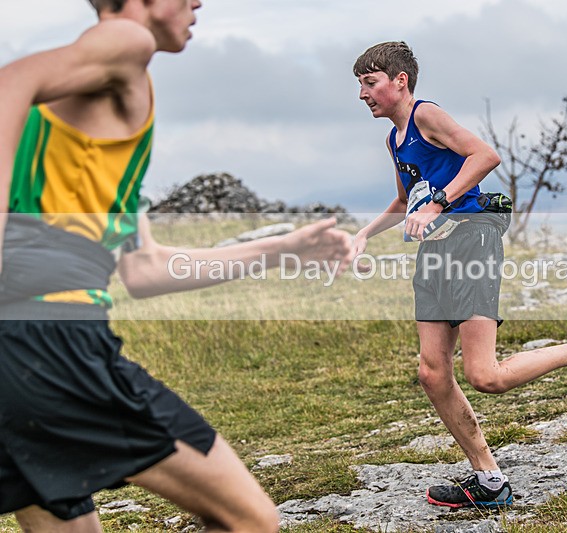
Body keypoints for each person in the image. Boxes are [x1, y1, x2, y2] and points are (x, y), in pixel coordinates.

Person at [0, 1, 354, 531]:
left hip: (18, 353)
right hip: (55, 340)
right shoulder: (126, 41)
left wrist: (285, 249)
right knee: (252, 521)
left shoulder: (90, 130)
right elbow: (10, 80)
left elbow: (146, 269)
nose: (197, 3)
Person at [351, 41, 567, 509]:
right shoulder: (393, 138)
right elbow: (406, 201)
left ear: (399, 81)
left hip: (471, 237)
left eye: (370, 83)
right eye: (360, 85)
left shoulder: (427, 115)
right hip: (435, 249)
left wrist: (442, 202)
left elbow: (484, 156)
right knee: (432, 373)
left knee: (485, 375)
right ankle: (489, 481)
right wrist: (363, 233)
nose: (363, 94)